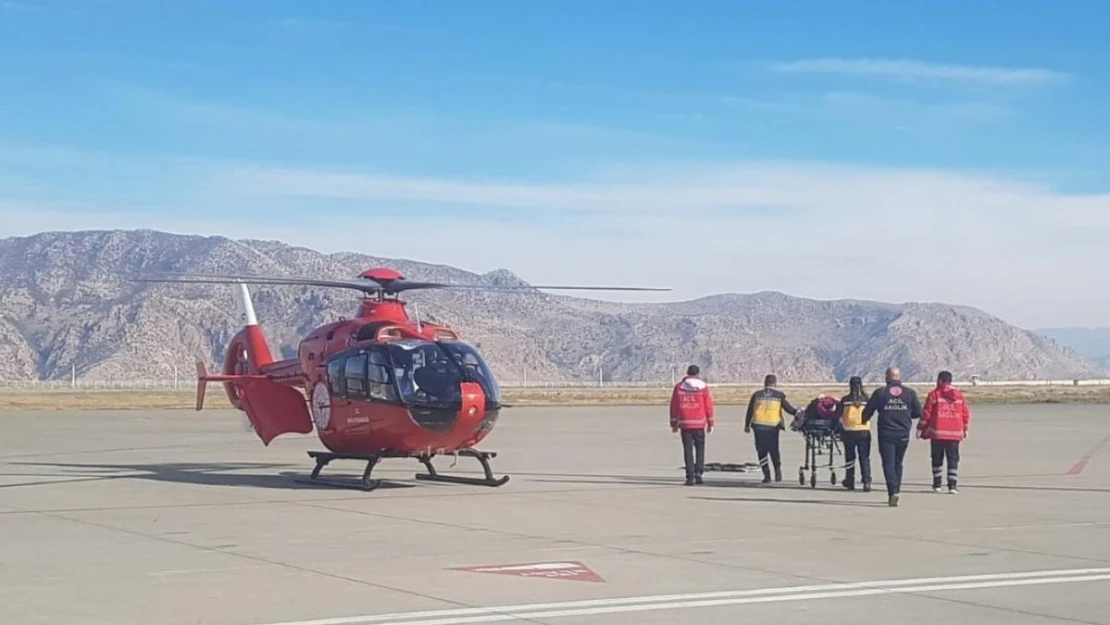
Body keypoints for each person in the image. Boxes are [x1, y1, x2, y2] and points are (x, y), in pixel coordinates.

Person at [862, 366, 922, 506]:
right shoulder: (909, 393)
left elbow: (867, 412)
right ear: (899, 377)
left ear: (887, 377)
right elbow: (918, 412)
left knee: (888, 463)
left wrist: (864, 419)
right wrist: (906, 414)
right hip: (903, 433)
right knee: (898, 462)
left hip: (886, 433)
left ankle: (892, 491)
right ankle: (897, 490)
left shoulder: (880, 393)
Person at [918, 370, 970, 494]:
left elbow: (927, 413)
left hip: (937, 433)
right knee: (953, 459)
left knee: (937, 458)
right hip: (955, 433)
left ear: (940, 380)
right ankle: (952, 486)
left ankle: (937, 485)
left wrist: (920, 427)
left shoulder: (934, 394)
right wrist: (965, 428)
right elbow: (965, 413)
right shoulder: (959, 395)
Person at [744, 374, 801, 484]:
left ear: (765, 383)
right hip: (773, 426)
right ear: (775, 383)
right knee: (774, 449)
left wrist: (747, 425)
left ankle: (767, 476)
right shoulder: (779, 395)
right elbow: (788, 409)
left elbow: (750, 411)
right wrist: (798, 413)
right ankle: (778, 472)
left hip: (758, 426)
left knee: (762, 451)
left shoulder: (757, 395)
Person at [670, 365, 715, 485]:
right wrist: (710, 422)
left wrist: (673, 423)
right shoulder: (703, 387)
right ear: (698, 374)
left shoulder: (679, 387)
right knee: (700, 449)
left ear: (687, 373)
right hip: (699, 423)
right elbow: (708, 406)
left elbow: (674, 406)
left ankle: (690, 477)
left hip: (685, 424)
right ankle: (698, 473)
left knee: (687, 450)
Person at [837, 376, 872, 492]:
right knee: (864, 458)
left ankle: (850, 481)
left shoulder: (845, 400)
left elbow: (838, 415)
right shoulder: (866, 399)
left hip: (849, 432)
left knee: (850, 458)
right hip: (864, 432)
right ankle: (866, 481)